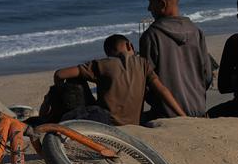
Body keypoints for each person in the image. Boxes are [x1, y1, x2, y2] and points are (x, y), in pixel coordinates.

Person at [50, 34, 185, 126]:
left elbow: (60, 74)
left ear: (108, 53)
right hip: (134, 123)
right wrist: (183, 115)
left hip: (107, 121)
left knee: (76, 80)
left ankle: (57, 118)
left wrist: (58, 91)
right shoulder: (144, 64)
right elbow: (162, 90)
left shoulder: (102, 64)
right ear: (129, 46)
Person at [139, 0, 213, 118]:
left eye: (150, 2)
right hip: (199, 110)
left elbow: (146, 82)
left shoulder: (151, 36)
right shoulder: (196, 32)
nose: (148, 8)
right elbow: (207, 77)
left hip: (166, 115)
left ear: (162, 4)